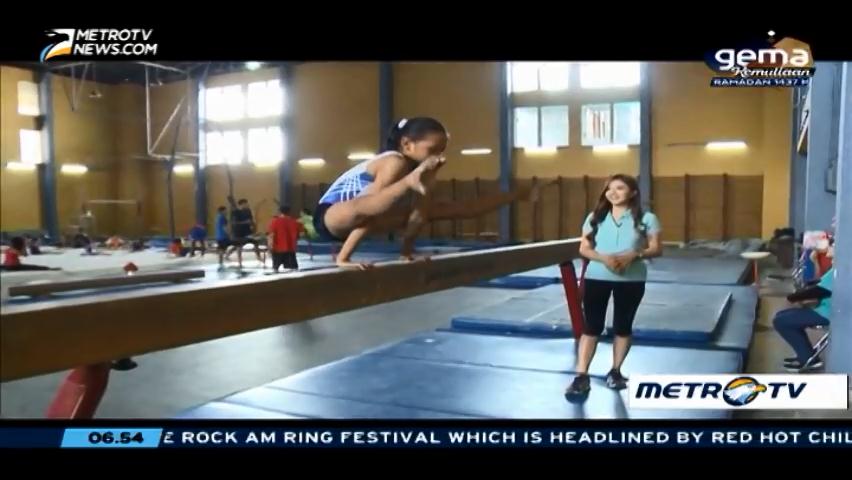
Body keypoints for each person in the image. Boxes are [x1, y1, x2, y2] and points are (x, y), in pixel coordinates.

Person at [313, 117, 544, 269]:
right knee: (372, 207)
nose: (438, 156)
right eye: (432, 150)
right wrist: (344, 259)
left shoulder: (419, 167)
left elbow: (419, 216)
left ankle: (517, 194)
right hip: (330, 217)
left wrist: (406, 252)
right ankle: (343, 254)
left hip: (358, 220)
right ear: (406, 145)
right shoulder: (394, 161)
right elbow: (367, 210)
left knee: (443, 209)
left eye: (442, 151)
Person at [564, 174, 662, 400]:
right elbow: (584, 248)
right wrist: (603, 258)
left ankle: (616, 371)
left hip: (631, 279)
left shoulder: (647, 218)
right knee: (591, 326)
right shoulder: (595, 217)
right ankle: (581, 375)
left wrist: (635, 254)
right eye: (609, 188)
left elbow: (657, 248)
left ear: (633, 192)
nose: (613, 193)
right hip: (597, 277)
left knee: (623, 326)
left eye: (620, 188)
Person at [774, 244, 834, 372]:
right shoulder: (838, 267)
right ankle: (806, 355)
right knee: (781, 316)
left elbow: (821, 290)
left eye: (832, 246)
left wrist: (792, 298)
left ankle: (807, 358)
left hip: (829, 313)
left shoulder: (843, 269)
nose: (829, 249)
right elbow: (819, 283)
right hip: (825, 309)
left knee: (781, 321)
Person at [227, 198, 263, 268]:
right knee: (239, 246)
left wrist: (253, 225)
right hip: (238, 232)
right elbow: (234, 223)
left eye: (247, 203)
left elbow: (251, 220)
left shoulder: (248, 211)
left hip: (247, 232)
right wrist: (245, 222)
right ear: (241, 204)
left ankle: (258, 257)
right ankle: (240, 262)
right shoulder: (235, 212)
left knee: (255, 242)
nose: (247, 205)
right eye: (246, 204)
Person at [267, 205, 305, 272]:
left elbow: (271, 235)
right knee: (294, 270)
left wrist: (270, 247)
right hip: (291, 249)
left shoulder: (274, 222)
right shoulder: (296, 222)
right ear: (289, 212)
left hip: (277, 249)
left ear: (280, 212)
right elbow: (302, 234)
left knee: (275, 269)